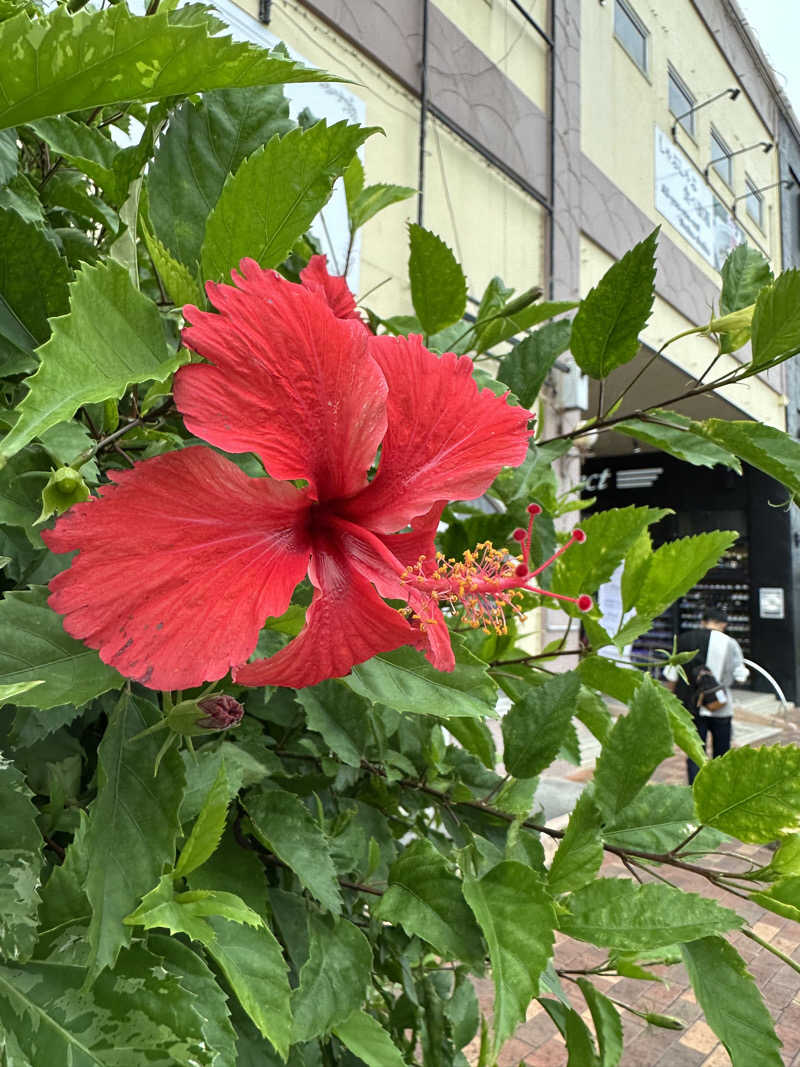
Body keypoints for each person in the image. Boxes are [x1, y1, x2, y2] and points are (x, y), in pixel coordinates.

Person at [663, 607, 749, 784]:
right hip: (720, 706)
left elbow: (671, 676)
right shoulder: (730, 643)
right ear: (723, 624)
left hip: (690, 706)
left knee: (695, 753)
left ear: (703, 621)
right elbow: (741, 675)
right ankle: (719, 789)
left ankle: (695, 790)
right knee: (722, 753)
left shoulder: (684, 639)